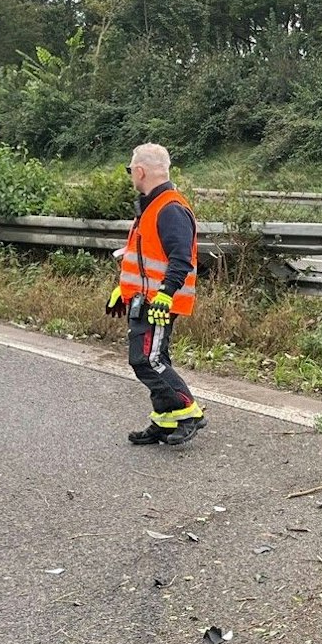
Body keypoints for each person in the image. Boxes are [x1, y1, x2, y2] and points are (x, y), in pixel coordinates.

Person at [106, 143, 206, 445]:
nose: (130, 175)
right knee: (153, 357)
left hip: (159, 302)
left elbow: (181, 259)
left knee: (147, 361)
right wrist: (123, 289)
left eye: (130, 170)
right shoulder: (152, 206)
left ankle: (188, 410)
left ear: (140, 171)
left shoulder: (169, 208)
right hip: (144, 299)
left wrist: (165, 294)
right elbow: (144, 257)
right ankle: (165, 420)